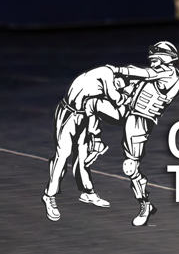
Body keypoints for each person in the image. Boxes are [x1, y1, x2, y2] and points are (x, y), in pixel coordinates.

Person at [42, 65, 129, 221]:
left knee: (82, 155)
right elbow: (116, 99)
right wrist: (127, 98)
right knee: (63, 155)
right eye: (119, 85)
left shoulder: (102, 84)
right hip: (69, 114)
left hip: (83, 115)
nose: (119, 88)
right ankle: (49, 196)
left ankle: (87, 192)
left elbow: (93, 109)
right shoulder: (106, 74)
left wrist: (95, 137)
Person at [120, 41, 179, 226]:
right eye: (152, 59)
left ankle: (144, 205)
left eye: (156, 59)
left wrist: (120, 71)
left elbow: (146, 74)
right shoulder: (153, 75)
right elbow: (135, 88)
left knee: (130, 167)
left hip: (141, 119)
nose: (153, 62)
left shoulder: (169, 74)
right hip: (129, 113)